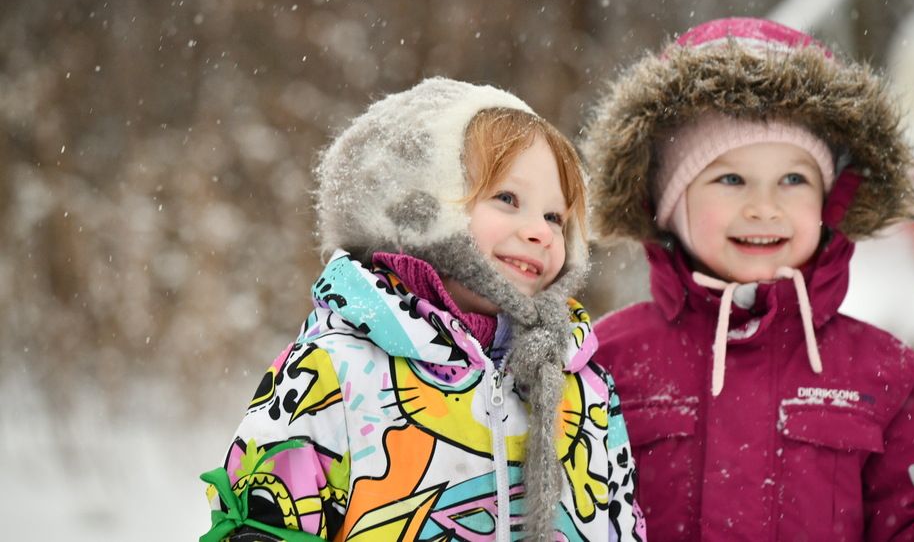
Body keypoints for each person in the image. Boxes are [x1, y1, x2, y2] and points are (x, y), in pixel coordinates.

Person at [582, 17, 914, 540]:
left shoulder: (886, 374)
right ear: (669, 204)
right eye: (731, 178)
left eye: (793, 179)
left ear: (828, 201)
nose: (765, 207)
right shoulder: (603, 362)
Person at [200, 78, 646, 542]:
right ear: (418, 207)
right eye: (508, 199)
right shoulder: (335, 370)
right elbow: (265, 517)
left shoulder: (583, 386)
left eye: (555, 217)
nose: (540, 232)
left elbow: (621, 523)